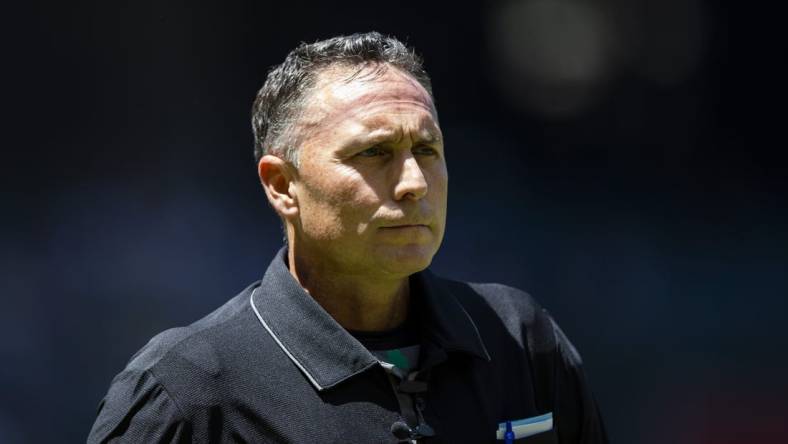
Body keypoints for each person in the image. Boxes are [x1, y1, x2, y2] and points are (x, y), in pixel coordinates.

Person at [88, 32, 608, 443]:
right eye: (373, 153)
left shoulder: (518, 338)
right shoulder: (189, 388)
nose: (413, 183)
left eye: (427, 150)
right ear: (282, 185)